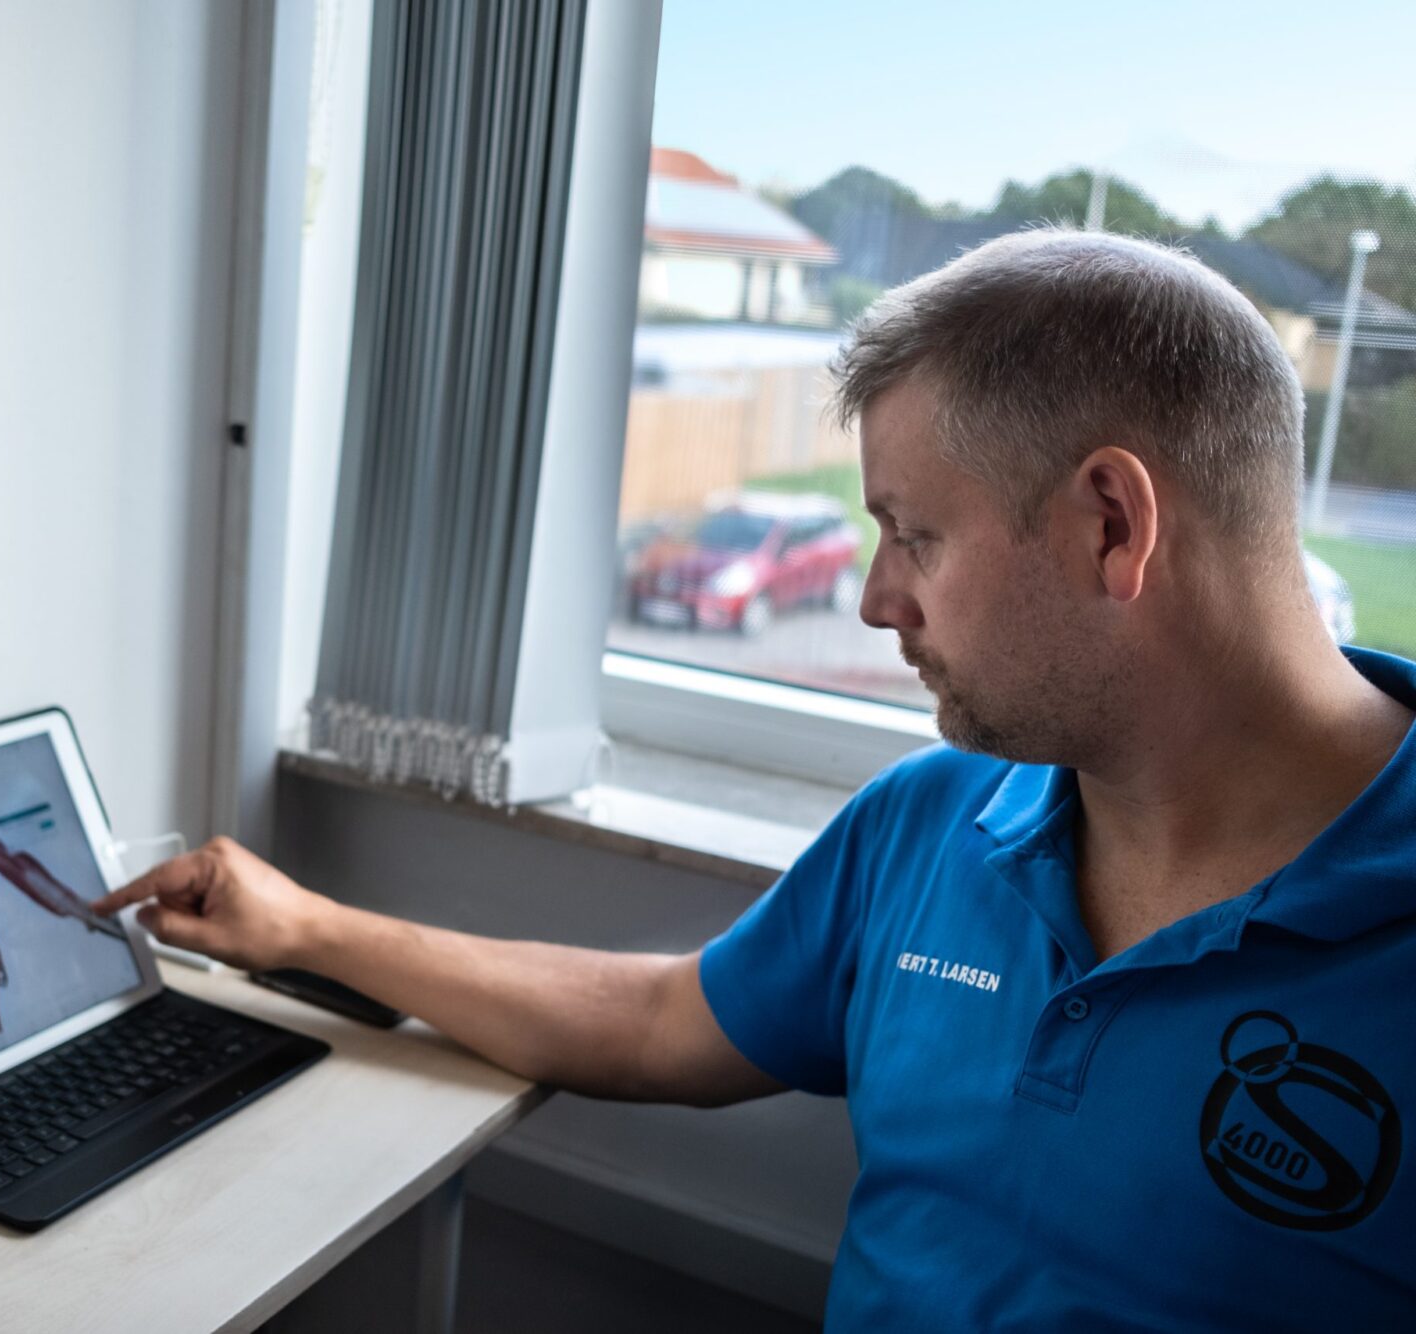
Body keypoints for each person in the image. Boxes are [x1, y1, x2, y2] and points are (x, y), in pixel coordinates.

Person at [95, 229, 1416, 1327]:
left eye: (914, 534)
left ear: (1112, 525)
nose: (872, 596)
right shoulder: (931, 826)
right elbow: (660, 1020)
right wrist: (305, 927)